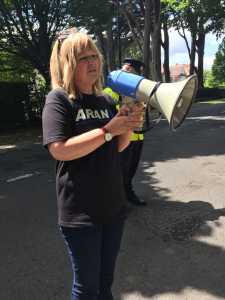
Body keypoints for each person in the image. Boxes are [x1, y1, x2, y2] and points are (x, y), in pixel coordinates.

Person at [42, 28, 144, 300]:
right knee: (87, 289)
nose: (93, 62)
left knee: (105, 283)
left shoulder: (106, 100)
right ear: (69, 64)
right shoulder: (59, 100)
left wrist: (126, 123)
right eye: (83, 57)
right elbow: (59, 150)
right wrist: (108, 130)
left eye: (94, 55)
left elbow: (117, 148)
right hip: (80, 213)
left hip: (113, 207)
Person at [104, 58, 147, 206]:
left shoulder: (137, 91)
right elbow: (108, 109)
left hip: (137, 136)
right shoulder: (111, 90)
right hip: (122, 138)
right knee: (120, 171)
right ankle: (118, 200)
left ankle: (128, 193)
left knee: (130, 170)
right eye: (132, 72)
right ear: (127, 69)